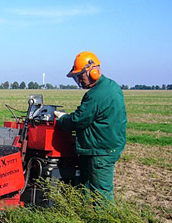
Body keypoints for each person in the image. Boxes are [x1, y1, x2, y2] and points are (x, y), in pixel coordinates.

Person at [54, 51, 127, 202]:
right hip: (103, 147)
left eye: (81, 75)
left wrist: (62, 119)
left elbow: (78, 120)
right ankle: (87, 218)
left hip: (100, 151)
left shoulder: (96, 94)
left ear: (93, 71)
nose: (79, 80)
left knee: (101, 194)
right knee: (86, 187)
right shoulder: (111, 86)